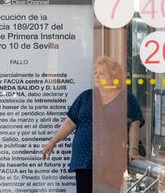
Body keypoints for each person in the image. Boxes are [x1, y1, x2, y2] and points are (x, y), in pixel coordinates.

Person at [42, 56, 144, 193]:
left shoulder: (127, 98)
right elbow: (69, 123)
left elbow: (134, 124)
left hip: (111, 161)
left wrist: (133, 149)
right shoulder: (85, 97)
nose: (96, 75)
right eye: (95, 72)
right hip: (84, 159)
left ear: (113, 75)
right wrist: (53, 142)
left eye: (101, 72)